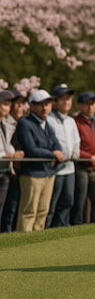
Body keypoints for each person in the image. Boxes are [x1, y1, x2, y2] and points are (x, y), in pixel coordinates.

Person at [14, 89, 65, 231]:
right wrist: (53, 154)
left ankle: (37, 240)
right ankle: (23, 240)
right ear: (31, 106)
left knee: (43, 210)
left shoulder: (47, 123)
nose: (44, 108)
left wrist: (56, 151)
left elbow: (56, 144)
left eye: (47, 104)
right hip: (32, 174)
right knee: (28, 211)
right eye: (40, 104)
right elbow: (31, 149)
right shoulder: (25, 123)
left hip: (48, 173)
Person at [45, 85, 80, 228]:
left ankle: (61, 228)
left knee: (68, 201)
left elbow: (76, 140)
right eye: (63, 99)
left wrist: (75, 153)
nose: (66, 102)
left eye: (68, 99)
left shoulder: (71, 121)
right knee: (52, 203)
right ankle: (47, 230)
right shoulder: (49, 119)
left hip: (70, 167)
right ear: (55, 101)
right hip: (55, 168)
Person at [72, 91, 95, 225]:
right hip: (81, 166)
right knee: (80, 203)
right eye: (87, 104)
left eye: (93, 104)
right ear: (80, 106)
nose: (91, 107)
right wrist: (89, 157)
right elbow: (73, 147)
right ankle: (78, 229)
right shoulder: (75, 122)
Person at [0, 91, 28, 232]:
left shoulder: (5, 124)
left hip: (7, 171)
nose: (9, 107)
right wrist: (12, 155)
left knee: (8, 207)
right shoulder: (5, 124)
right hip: (3, 170)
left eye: (9, 104)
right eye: (5, 104)